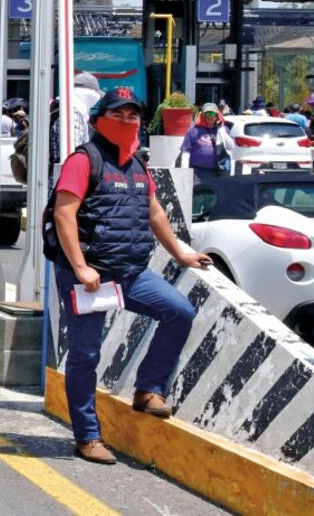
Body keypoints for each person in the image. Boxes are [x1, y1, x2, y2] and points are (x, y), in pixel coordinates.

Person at [52, 87, 209, 465]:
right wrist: (80, 267)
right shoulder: (83, 159)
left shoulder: (137, 165)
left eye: (132, 116)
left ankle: (148, 389)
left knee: (179, 311)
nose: (126, 122)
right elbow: (63, 214)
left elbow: (154, 212)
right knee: (86, 354)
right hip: (89, 276)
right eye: (117, 114)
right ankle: (87, 436)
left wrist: (182, 254)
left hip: (130, 272)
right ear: (98, 120)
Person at [178, 103, 233, 183]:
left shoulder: (223, 129)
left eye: (212, 114)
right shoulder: (194, 130)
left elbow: (231, 146)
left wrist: (221, 129)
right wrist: (184, 171)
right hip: (197, 173)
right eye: (207, 114)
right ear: (203, 115)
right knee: (197, 195)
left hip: (217, 172)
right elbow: (186, 151)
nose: (210, 117)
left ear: (217, 115)